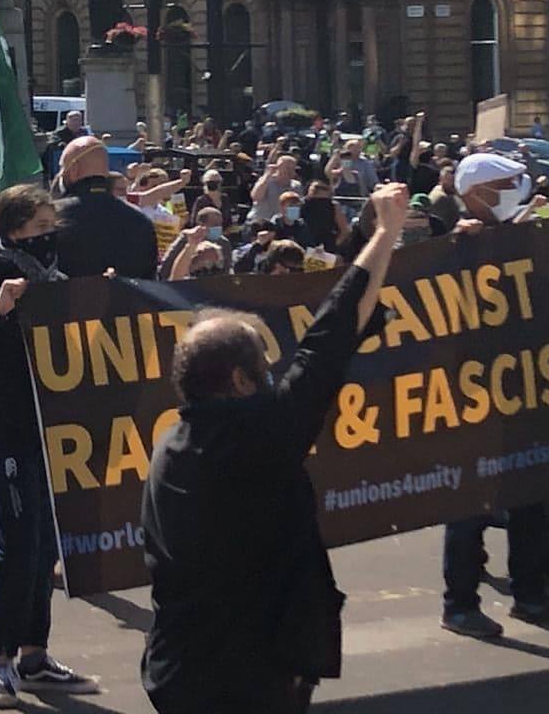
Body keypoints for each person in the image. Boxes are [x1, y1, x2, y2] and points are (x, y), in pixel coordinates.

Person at [141, 184, 407, 714]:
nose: (272, 375)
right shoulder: (259, 435)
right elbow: (327, 339)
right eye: (264, 367)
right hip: (247, 678)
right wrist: (385, 232)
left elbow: (331, 338)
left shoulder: (174, 444)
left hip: (179, 670)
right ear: (240, 380)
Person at [0, 184, 98, 707]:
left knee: (44, 546)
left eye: (52, 225)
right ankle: (1, 659)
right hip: (11, 430)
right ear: (14, 231)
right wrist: (0, 310)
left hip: (54, 430)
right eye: (39, 228)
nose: (49, 236)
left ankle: (34, 655)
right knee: (15, 546)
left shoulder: (54, 283)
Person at [437, 152, 549, 638]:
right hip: (476, 398)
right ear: (476, 194)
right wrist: (466, 245)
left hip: (526, 391)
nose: (517, 190)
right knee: (470, 506)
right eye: (507, 183)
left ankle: (531, 596)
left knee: (531, 498)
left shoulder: (515, 236)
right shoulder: (458, 242)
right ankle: (459, 604)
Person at [53, 136, 157, 281]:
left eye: (62, 168)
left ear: (74, 169)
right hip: (128, 301)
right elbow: (149, 280)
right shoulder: (140, 220)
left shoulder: (51, 217)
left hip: (65, 301)